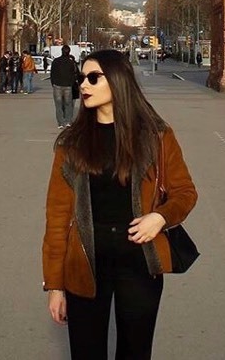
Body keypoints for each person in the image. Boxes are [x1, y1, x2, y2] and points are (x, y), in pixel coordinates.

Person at [42, 49, 197, 360]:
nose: (83, 85)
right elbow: (57, 217)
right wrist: (55, 286)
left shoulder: (156, 136)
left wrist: (159, 218)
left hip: (139, 258)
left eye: (93, 78)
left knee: (135, 352)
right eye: (81, 78)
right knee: (86, 352)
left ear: (117, 82)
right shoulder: (71, 144)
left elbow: (184, 192)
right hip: (85, 259)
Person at [50, 45, 77, 128]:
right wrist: (71, 83)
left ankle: (61, 123)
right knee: (68, 104)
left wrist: (53, 83)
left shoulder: (56, 61)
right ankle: (68, 121)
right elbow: (74, 74)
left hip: (57, 85)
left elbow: (52, 73)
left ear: (61, 51)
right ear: (69, 52)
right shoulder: (70, 62)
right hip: (68, 85)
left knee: (58, 104)